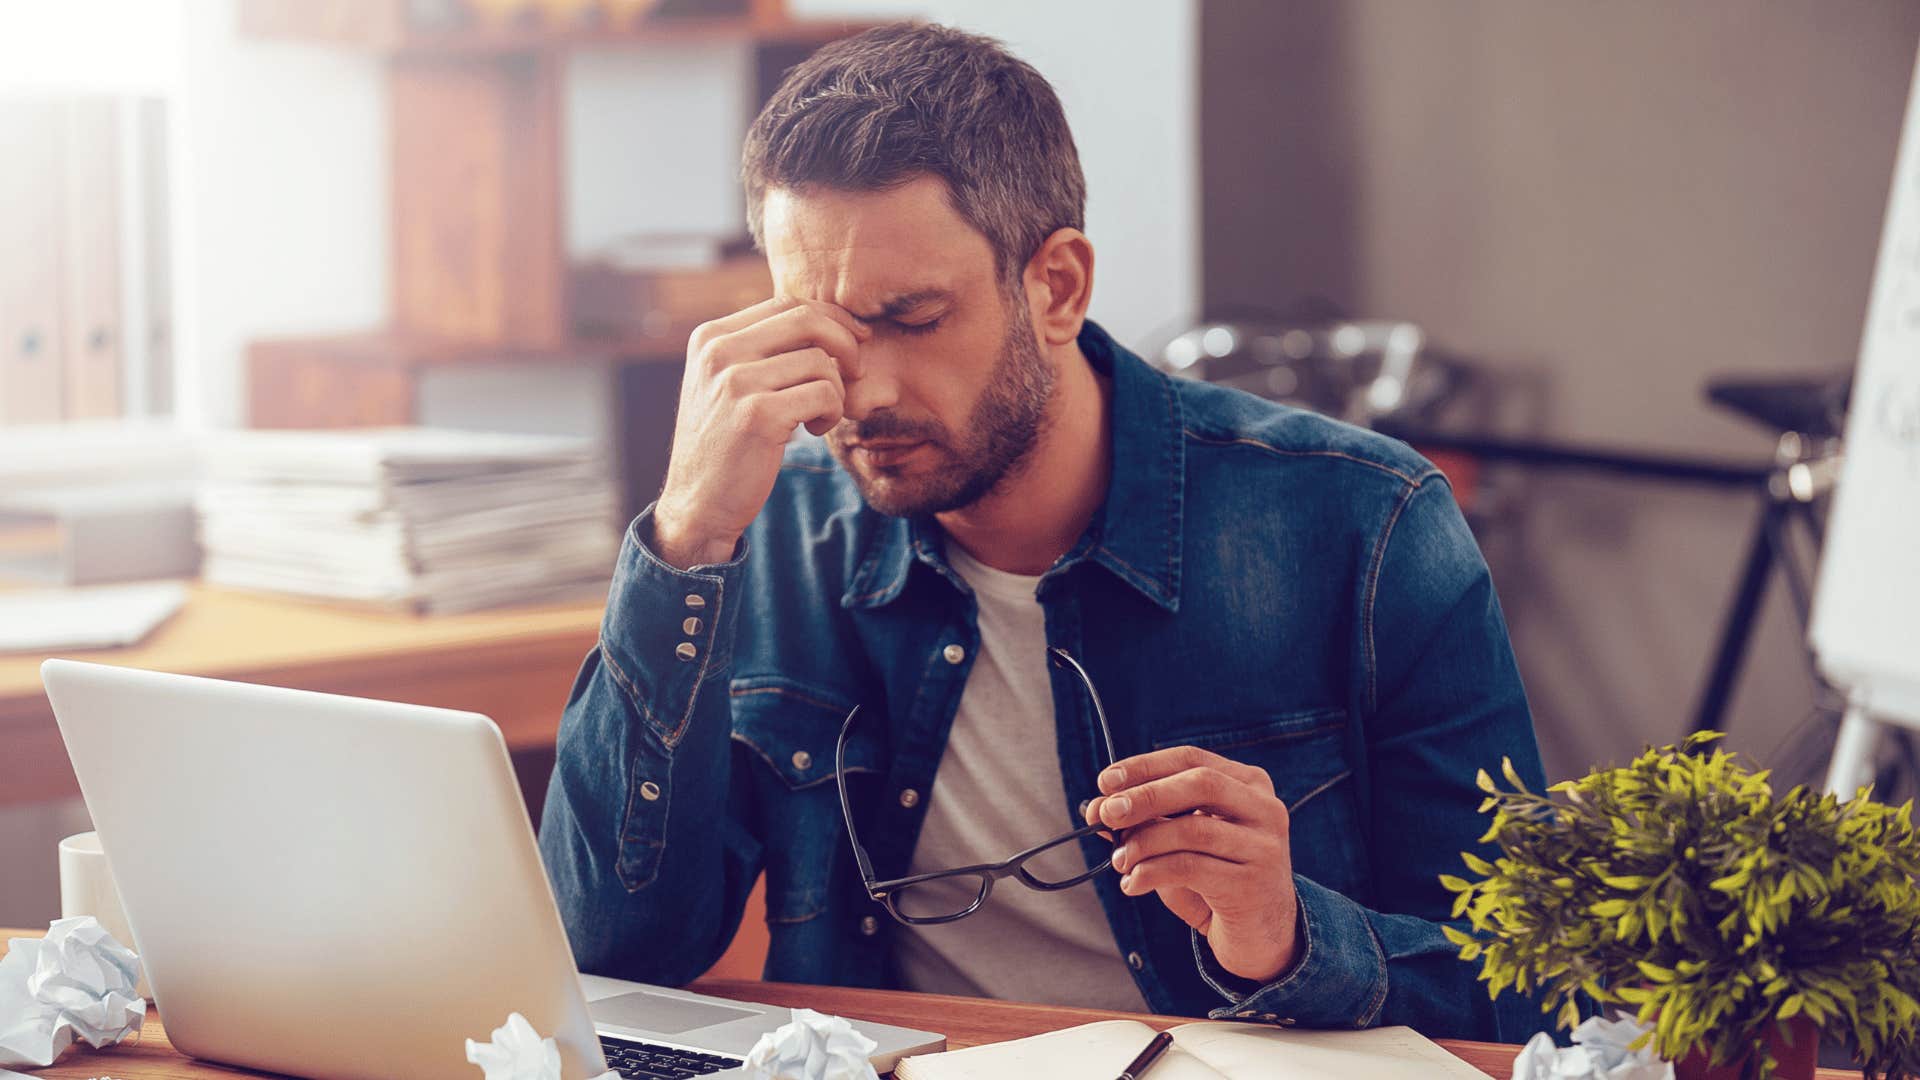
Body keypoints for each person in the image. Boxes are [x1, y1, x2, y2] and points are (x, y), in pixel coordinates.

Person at [538, 21, 1547, 1040]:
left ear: (1056, 286)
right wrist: (686, 540)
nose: (863, 390)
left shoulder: (1367, 524)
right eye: (825, 326)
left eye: (914, 317)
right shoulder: (774, 523)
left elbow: (1530, 996)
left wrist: (1288, 937)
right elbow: (613, 957)